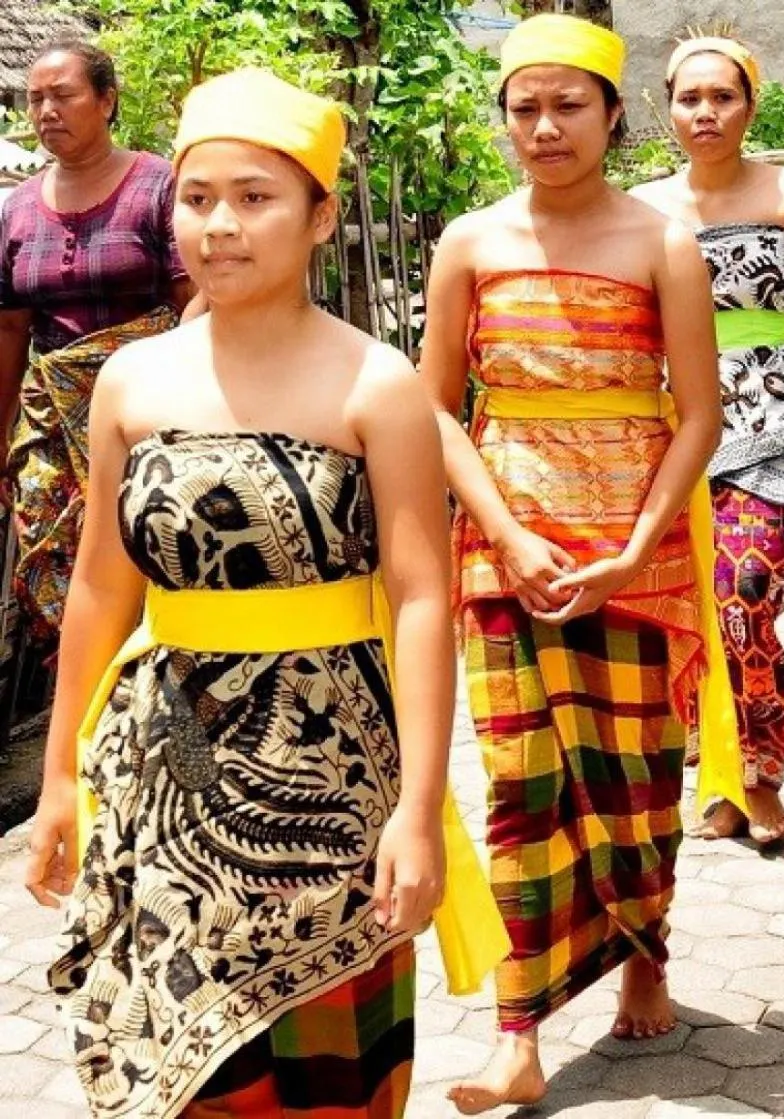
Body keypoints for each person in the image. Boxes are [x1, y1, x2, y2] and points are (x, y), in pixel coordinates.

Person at [23, 68, 507, 1118]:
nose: (221, 227)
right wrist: (61, 775)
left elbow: (422, 599)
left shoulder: (375, 384)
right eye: (198, 200)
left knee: (321, 1063)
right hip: (161, 764)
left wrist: (417, 812)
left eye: (256, 198)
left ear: (319, 217)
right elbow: (105, 590)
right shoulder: (130, 380)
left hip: (328, 771)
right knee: (178, 1056)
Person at [419, 15, 728, 1112]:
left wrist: (640, 543)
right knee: (521, 786)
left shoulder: (660, 241)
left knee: (638, 778)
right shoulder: (469, 241)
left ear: (610, 115)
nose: (544, 128)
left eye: (568, 107)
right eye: (524, 108)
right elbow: (438, 412)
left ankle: (646, 950)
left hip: (635, 551)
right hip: (508, 553)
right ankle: (518, 1031)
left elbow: (699, 413)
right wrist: (507, 533)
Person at [633, 33, 784, 842]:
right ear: (667, 110)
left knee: (749, 593)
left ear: (751, 106)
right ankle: (717, 774)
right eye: (690, 98)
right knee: (693, 601)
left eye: (722, 97)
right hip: (675, 424)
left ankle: (762, 772)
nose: (706, 112)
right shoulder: (648, 206)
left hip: (775, 421)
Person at [0, 41, 193, 655]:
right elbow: (10, 329)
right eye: (35, 99)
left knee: (151, 539)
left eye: (64, 95)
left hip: (151, 413)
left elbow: (196, 302)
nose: (46, 110)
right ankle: (85, 685)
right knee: (61, 558)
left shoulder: (158, 187)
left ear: (107, 101)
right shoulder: (18, 209)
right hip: (52, 425)